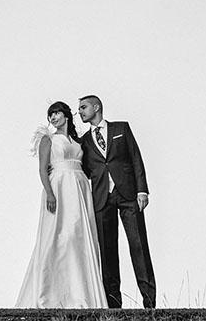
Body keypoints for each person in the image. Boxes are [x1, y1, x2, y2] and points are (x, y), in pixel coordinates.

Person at [15, 101, 107, 308]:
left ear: (66, 114)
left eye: (56, 113)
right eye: (51, 115)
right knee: (56, 237)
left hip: (79, 188)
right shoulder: (48, 139)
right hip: (59, 186)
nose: (53, 118)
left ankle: (80, 294)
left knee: (78, 236)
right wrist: (50, 193)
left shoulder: (78, 141)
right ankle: (48, 293)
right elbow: (42, 169)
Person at [76, 94, 156, 308]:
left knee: (139, 246)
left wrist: (142, 190)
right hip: (102, 199)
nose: (80, 112)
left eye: (83, 107)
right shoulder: (84, 141)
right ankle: (113, 305)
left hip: (129, 195)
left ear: (96, 107)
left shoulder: (122, 128)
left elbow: (136, 158)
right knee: (107, 251)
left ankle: (149, 303)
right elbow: (84, 171)